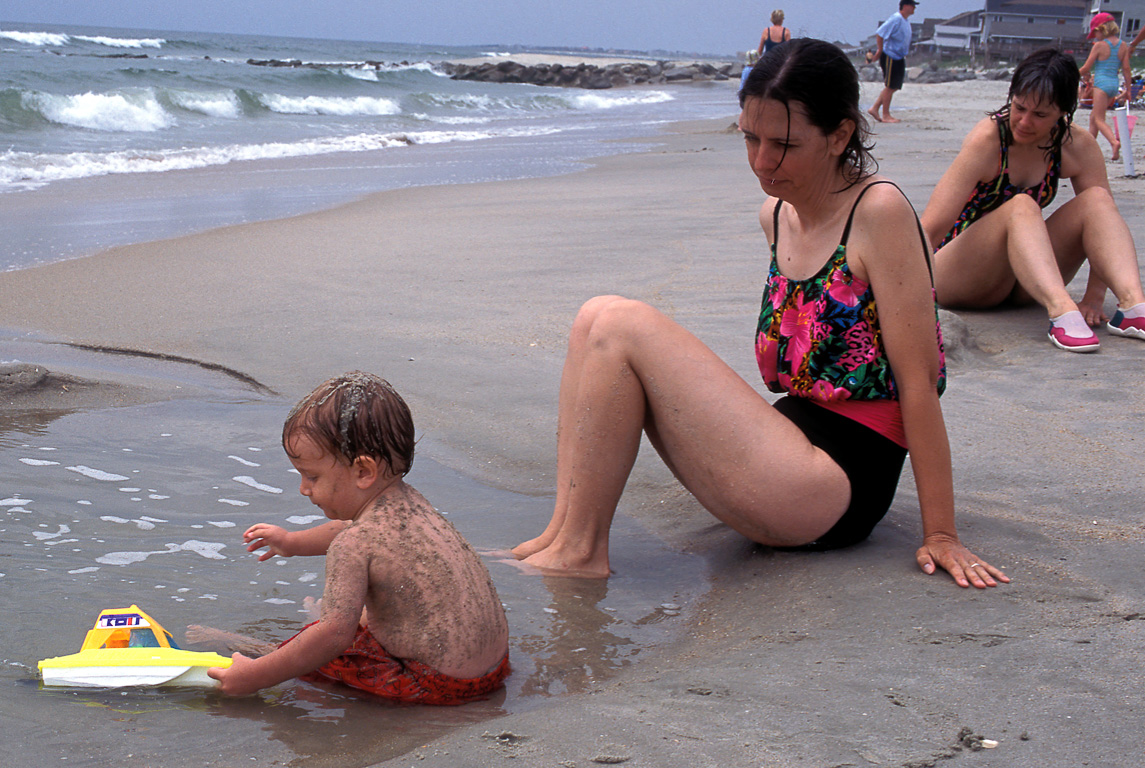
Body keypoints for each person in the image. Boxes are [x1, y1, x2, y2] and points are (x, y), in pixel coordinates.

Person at [511, 38, 1007, 590]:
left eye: (784, 144)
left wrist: (940, 532)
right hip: (791, 442)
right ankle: (562, 533)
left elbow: (920, 383)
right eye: (751, 137)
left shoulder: (880, 213)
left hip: (839, 486)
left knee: (620, 324)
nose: (761, 161)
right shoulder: (777, 214)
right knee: (594, 317)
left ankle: (579, 550)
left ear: (840, 135)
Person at [203, 372, 510, 703]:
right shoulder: (411, 505)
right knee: (372, 606)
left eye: (312, 476)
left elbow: (333, 636)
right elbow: (353, 530)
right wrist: (292, 543)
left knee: (315, 649)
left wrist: (257, 676)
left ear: (364, 472)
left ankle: (254, 663)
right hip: (494, 669)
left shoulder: (354, 545)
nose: (304, 489)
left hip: (437, 684)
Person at [921, 48, 1145, 352]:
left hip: (1026, 279)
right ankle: (1061, 310)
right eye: (1019, 108)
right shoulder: (988, 139)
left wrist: (1093, 297)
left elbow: (1103, 228)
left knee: (1097, 199)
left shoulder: (1077, 145)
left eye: (1040, 115)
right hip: (961, 273)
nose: (1025, 122)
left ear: (1063, 112)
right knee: (1023, 205)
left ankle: (1133, 307)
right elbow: (932, 226)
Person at [1079, 12, 1130, 161]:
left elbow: (1087, 68)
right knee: (1093, 117)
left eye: (1095, 32)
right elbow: (1126, 69)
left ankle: (1114, 142)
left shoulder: (1100, 46)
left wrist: (1070, 74)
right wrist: (1128, 90)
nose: (1095, 36)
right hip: (1114, 84)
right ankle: (1088, 149)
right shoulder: (1123, 45)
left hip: (1101, 85)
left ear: (1102, 29)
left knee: (1099, 119)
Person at [868, 0, 917, 124]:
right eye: (912, 5)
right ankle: (886, 115)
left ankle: (874, 108)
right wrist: (879, 50)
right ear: (905, 6)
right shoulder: (896, 18)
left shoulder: (905, 20)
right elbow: (880, 33)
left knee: (894, 86)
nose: (914, 8)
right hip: (890, 56)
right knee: (890, 86)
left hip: (899, 57)